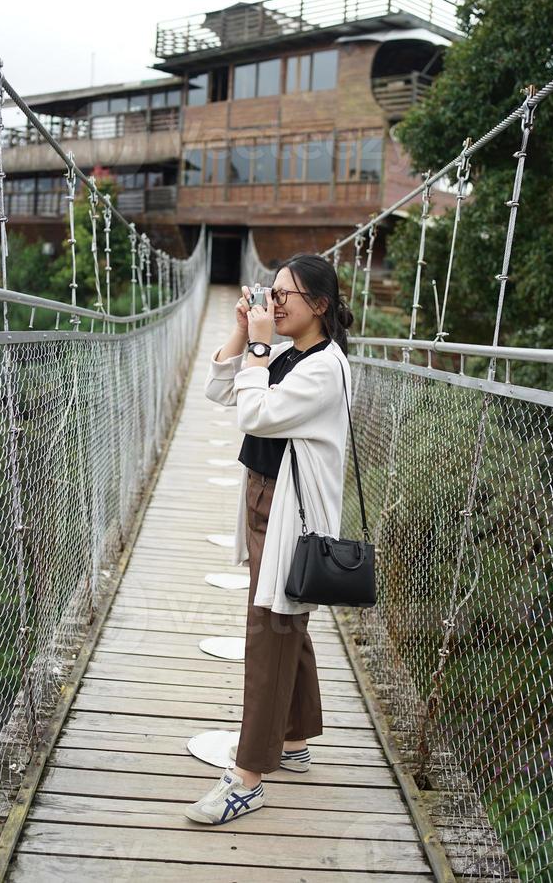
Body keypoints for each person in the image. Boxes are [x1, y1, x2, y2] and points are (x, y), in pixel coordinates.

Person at [184, 252, 354, 825]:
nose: (273, 304)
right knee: (286, 621)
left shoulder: (323, 368)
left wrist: (258, 348)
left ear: (320, 306)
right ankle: (295, 737)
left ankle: (248, 776)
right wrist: (243, 334)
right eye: (271, 292)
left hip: (289, 513)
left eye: (285, 296)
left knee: (271, 631)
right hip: (266, 499)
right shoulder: (290, 353)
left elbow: (255, 415)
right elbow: (220, 390)